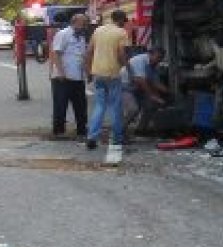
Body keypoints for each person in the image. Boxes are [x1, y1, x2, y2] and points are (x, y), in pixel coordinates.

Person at [85, 10, 130, 162]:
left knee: (99, 105)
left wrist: (89, 71)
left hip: (98, 72)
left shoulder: (98, 30)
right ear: (122, 20)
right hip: (113, 74)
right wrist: (128, 67)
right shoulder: (121, 32)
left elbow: (89, 51)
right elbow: (121, 53)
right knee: (115, 107)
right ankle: (117, 137)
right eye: (125, 20)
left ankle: (92, 136)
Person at [49, 13, 91, 138]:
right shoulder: (63, 34)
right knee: (61, 105)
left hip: (77, 76)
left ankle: (82, 129)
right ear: (75, 22)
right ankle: (59, 130)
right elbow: (56, 53)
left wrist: (87, 73)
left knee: (81, 105)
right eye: (83, 23)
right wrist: (60, 72)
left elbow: (82, 57)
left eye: (86, 23)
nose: (85, 26)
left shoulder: (81, 37)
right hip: (63, 76)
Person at [121, 46, 169, 135]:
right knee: (133, 109)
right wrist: (153, 96)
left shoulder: (154, 65)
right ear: (150, 54)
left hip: (137, 87)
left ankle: (141, 130)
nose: (159, 60)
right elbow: (141, 80)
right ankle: (119, 131)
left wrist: (167, 91)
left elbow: (155, 82)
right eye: (158, 57)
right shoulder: (141, 60)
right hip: (125, 86)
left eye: (161, 58)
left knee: (152, 105)